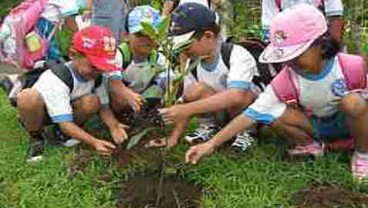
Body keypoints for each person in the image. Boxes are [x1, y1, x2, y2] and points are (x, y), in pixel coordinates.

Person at [185, 4, 368, 181]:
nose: (291, 63)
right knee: (270, 112)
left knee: (352, 102)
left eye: (297, 56)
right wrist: (210, 144)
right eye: (287, 58)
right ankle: (310, 145)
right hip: (316, 125)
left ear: (322, 45)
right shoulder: (287, 79)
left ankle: (363, 154)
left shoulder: (351, 66)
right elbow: (250, 114)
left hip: (350, 124)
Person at [149, 3, 260, 151]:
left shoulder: (236, 54)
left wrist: (186, 109)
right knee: (194, 91)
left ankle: (246, 132)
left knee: (243, 95)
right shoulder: (193, 63)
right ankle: (210, 126)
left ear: (208, 36)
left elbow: (237, 96)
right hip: (222, 112)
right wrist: (173, 138)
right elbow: (187, 100)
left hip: (248, 114)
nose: (183, 52)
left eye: (186, 46)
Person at [17, 26, 127, 161]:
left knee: (93, 101)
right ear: (73, 54)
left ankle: (61, 134)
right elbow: (65, 123)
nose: (98, 71)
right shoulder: (57, 78)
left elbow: (103, 106)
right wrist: (94, 142)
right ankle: (36, 136)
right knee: (28, 97)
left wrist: (114, 126)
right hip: (42, 113)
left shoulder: (96, 76)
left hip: (66, 110)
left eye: (102, 68)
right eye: (93, 66)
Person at [108, 5, 171, 115]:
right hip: (123, 98)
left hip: (144, 96)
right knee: (118, 96)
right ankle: (123, 117)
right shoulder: (120, 54)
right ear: (126, 36)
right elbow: (113, 82)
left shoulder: (159, 58)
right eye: (140, 34)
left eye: (151, 34)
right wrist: (128, 94)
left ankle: (150, 116)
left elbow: (170, 82)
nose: (146, 39)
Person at [261, 0, 344, 45]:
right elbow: (271, 31)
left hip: (320, 42)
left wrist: (333, 52)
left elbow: (335, 18)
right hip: (290, 44)